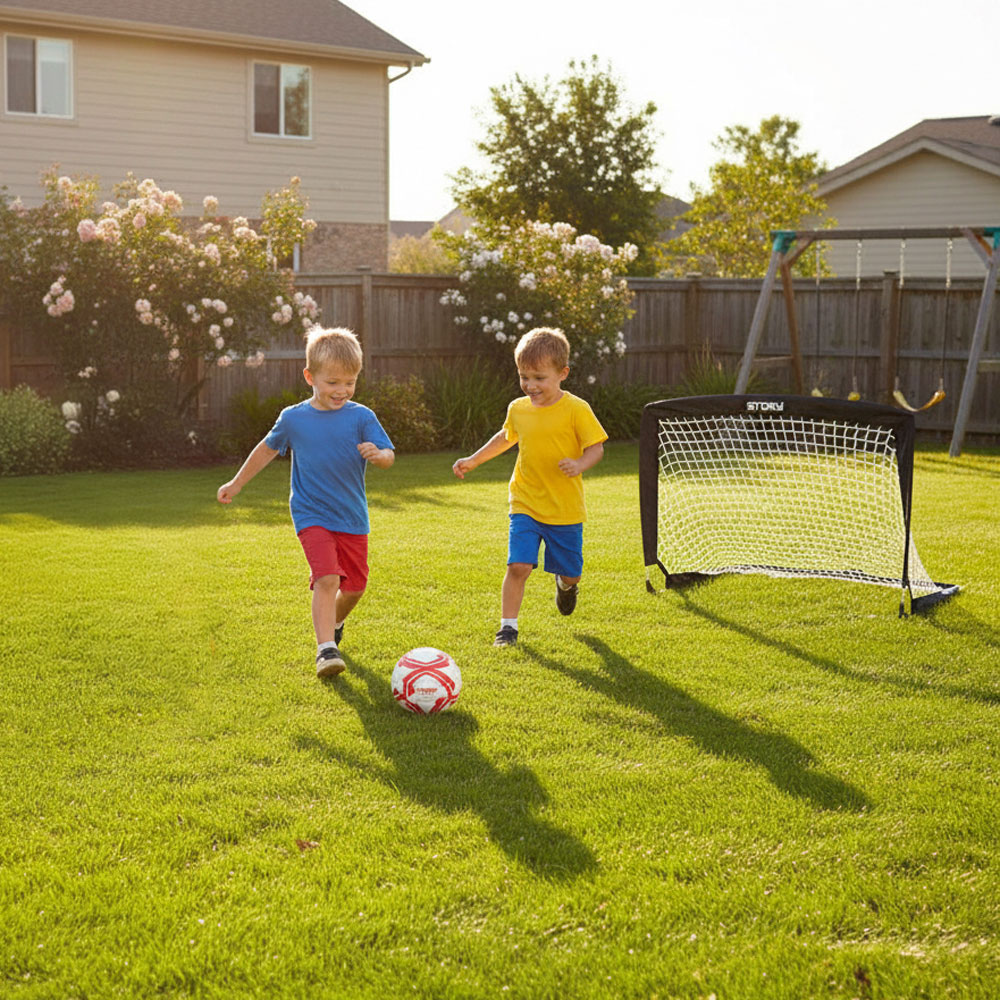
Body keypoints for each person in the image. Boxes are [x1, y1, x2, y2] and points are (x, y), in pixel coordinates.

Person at [217, 326, 394, 677]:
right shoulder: (293, 418)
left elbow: (389, 456)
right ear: (309, 377)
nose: (341, 390)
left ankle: (335, 622)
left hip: (352, 516)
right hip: (310, 512)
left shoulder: (362, 417)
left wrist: (378, 455)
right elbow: (265, 451)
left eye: (349, 382)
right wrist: (237, 483)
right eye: (332, 383)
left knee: (355, 588)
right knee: (327, 578)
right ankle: (326, 650)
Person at [452, 327, 607, 647]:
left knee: (571, 571)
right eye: (524, 377)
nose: (530, 385)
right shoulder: (518, 409)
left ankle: (566, 586)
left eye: (539, 377)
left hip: (564, 508)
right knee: (518, 564)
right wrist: (474, 460)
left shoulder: (577, 409)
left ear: (562, 373)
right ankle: (507, 628)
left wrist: (579, 464)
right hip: (525, 501)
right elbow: (506, 437)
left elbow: (597, 447)